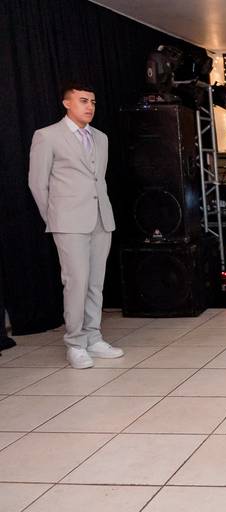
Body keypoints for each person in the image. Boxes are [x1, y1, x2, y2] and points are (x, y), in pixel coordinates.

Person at [28, 82, 124, 369]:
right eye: (83, 101)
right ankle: (75, 343)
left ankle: (94, 337)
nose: (89, 106)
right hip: (69, 221)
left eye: (92, 101)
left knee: (95, 283)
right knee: (76, 282)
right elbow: (37, 183)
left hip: (101, 218)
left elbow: (98, 179)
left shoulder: (101, 138)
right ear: (67, 103)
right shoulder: (47, 136)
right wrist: (55, 218)